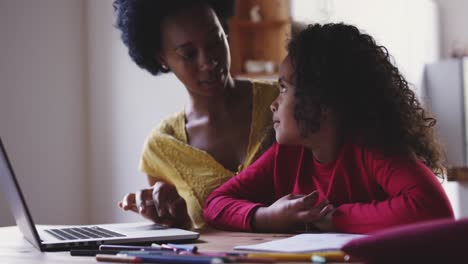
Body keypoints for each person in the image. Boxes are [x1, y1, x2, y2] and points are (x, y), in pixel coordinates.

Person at [204, 23, 454, 234]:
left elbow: (434, 210)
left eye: (283, 89)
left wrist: (332, 218)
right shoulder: (287, 155)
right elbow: (215, 204)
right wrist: (266, 216)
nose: (273, 104)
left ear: (321, 100)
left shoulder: (371, 148)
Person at [113, 0, 278, 229]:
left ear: (225, 29)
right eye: (189, 54)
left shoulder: (281, 101)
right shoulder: (163, 148)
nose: (208, 61)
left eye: (214, 40)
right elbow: (183, 236)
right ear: (162, 59)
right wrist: (177, 220)